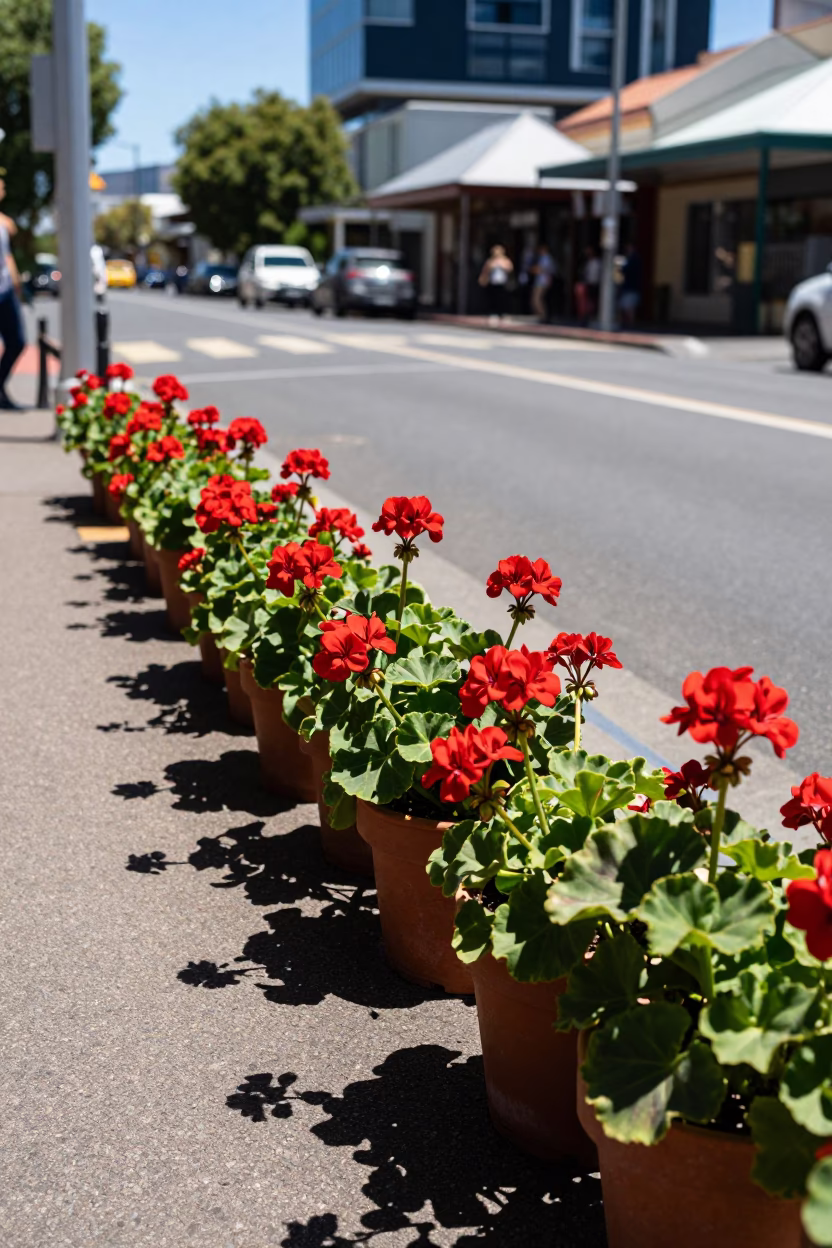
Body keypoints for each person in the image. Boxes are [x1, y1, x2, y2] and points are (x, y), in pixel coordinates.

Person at [0, 173, 25, 410]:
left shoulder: (3, 223)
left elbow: (7, 256)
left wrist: (17, 285)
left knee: (17, 342)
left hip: (6, 290)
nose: (4, 188)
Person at [478, 244, 513, 322]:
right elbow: (485, 270)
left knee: (503, 299)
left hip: (502, 282)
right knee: (493, 298)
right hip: (493, 282)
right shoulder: (490, 261)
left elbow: (510, 268)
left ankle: (503, 313)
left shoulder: (505, 260)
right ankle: (494, 313)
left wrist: (502, 266)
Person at [530, 242, 555, 322]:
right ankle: (542, 316)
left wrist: (534, 269)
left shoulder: (546, 258)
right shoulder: (542, 258)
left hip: (542, 281)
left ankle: (543, 316)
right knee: (537, 299)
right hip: (541, 281)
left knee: (536, 299)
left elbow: (542, 269)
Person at [619, 243, 642, 328]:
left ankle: (630, 324)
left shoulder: (633, 259)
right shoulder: (629, 258)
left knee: (629, 307)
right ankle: (629, 323)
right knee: (626, 307)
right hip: (629, 286)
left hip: (631, 286)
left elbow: (625, 271)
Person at [583, 246, 601, 322]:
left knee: (593, 301)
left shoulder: (597, 262)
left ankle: (593, 315)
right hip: (589, 283)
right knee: (588, 301)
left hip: (595, 284)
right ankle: (588, 315)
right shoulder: (588, 262)